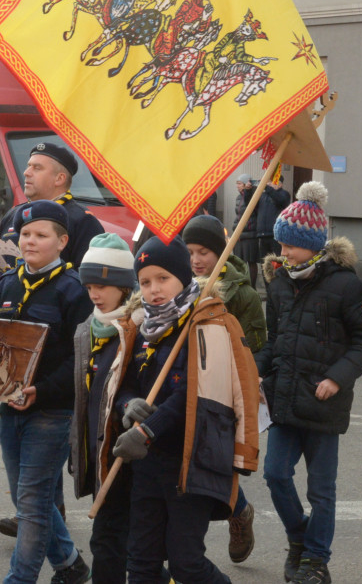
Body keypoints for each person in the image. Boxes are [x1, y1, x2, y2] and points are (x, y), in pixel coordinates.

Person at [256, 182, 362, 584]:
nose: (283, 252)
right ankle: (299, 537)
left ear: (313, 243)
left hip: (325, 403)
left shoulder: (346, 285)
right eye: (281, 243)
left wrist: (336, 378)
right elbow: (275, 342)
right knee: (275, 475)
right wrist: (256, 370)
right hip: (285, 400)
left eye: (290, 244)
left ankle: (315, 560)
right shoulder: (278, 283)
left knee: (321, 491)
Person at [0, 200, 93, 584]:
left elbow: (80, 358)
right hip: (12, 410)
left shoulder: (74, 290)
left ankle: (18, 579)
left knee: (34, 503)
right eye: (25, 234)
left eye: (41, 235)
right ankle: (70, 564)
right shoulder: (7, 283)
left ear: (62, 241)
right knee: (27, 498)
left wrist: (42, 389)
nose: (30, 242)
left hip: (52, 413)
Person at [112, 236, 232, 584]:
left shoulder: (207, 323)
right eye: (146, 281)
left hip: (190, 462)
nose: (154, 289)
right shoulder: (143, 326)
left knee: (186, 564)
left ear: (183, 276)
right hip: (147, 463)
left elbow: (194, 393)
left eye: (163, 278)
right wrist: (128, 406)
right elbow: (129, 382)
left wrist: (148, 429)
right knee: (142, 562)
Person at [181, 214, 265, 563]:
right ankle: (184, 550)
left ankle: (239, 513)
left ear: (221, 252)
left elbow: (256, 345)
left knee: (218, 464)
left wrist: (251, 381)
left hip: (222, 395)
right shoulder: (179, 284)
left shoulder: (243, 294)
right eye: (191, 252)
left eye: (204, 251)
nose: (197, 259)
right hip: (185, 389)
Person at [70, 233, 139, 583]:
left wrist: (129, 405)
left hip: (129, 455)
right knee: (113, 542)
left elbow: (133, 387)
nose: (94, 293)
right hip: (100, 454)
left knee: (117, 543)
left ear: (124, 286)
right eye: (89, 285)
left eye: (102, 285)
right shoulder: (87, 328)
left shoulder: (136, 328)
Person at [0, 142, 105, 295]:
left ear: (59, 179)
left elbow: (90, 277)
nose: (26, 172)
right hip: (8, 311)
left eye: (37, 168)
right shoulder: (14, 214)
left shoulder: (82, 220)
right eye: (28, 166)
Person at [232, 174, 260, 289]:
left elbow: (253, 211)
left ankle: (252, 287)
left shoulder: (253, 195)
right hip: (239, 233)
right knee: (240, 262)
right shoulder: (238, 198)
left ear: (245, 184)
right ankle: (242, 286)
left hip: (250, 233)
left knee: (251, 261)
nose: (237, 186)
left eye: (239, 183)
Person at [256, 175, 291, 261]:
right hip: (263, 234)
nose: (270, 184)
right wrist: (248, 191)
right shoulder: (263, 196)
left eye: (272, 182)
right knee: (264, 263)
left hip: (276, 236)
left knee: (277, 261)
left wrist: (267, 188)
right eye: (269, 182)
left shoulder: (284, 194)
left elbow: (280, 200)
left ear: (280, 184)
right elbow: (251, 205)